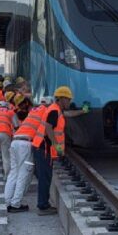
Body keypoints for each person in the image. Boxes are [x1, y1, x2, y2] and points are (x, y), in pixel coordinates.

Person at [30, 86, 86, 215]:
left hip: (42, 148)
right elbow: (48, 127)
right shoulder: (54, 111)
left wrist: (83, 111)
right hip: (43, 148)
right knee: (45, 178)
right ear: (61, 99)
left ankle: (43, 204)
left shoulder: (57, 110)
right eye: (68, 99)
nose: (69, 102)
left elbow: (69, 114)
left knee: (45, 177)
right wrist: (57, 146)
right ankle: (43, 206)